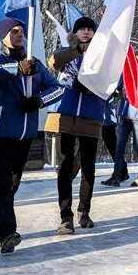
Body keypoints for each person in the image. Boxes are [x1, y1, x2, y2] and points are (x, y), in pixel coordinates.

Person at [0, 18, 62, 252]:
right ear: (3, 36)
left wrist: (38, 100)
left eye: (22, 32)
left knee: (10, 184)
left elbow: (57, 88)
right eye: (14, 32)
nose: (19, 35)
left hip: (24, 133)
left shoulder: (34, 64)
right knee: (3, 184)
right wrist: (16, 69)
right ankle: (8, 233)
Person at [47, 16, 109, 235]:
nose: (86, 32)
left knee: (88, 166)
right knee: (64, 165)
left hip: (91, 114)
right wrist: (77, 51)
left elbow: (112, 80)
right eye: (82, 29)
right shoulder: (67, 49)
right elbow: (53, 63)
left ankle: (85, 210)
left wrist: (92, 88)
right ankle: (66, 216)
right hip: (66, 112)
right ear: (75, 32)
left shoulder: (103, 54)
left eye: (89, 29)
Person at [111, 49, 138, 188]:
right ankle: (117, 175)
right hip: (124, 113)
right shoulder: (125, 71)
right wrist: (118, 92)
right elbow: (117, 89)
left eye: (136, 58)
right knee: (119, 145)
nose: (133, 61)